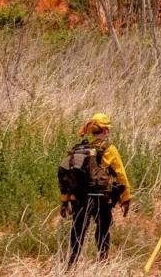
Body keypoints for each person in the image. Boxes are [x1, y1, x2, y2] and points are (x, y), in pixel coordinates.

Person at [61, 112, 131, 266]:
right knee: (103, 231)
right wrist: (126, 198)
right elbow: (121, 175)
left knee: (77, 232)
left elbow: (66, 176)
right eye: (108, 129)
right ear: (105, 130)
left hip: (79, 198)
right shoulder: (109, 148)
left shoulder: (78, 149)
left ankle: (71, 265)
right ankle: (103, 262)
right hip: (101, 198)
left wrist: (64, 201)